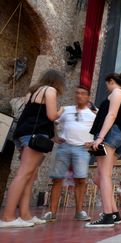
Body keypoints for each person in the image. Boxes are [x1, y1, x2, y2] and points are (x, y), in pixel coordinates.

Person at [0, 69, 65, 228]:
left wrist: (55, 137)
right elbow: (51, 116)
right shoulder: (50, 90)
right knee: (23, 174)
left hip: (24, 134)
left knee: (30, 176)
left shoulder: (34, 91)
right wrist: (61, 111)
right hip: (34, 137)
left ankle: (25, 215)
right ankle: (8, 217)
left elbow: (36, 115)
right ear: (57, 82)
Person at [41, 86, 96, 222]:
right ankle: (51, 212)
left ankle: (79, 212)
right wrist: (54, 136)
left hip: (82, 149)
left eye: (83, 93)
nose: (79, 95)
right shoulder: (66, 110)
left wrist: (94, 141)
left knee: (81, 180)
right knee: (57, 179)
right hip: (64, 147)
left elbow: (101, 130)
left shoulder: (94, 114)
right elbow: (53, 121)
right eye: (77, 93)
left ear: (88, 97)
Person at [85, 72, 121, 228]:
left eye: (107, 84)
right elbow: (110, 113)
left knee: (104, 176)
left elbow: (112, 115)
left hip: (112, 135)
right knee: (99, 178)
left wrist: (99, 138)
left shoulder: (117, 92)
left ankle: (107, 216)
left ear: (111, 81)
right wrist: (95, 111)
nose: (106, 87)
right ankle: (114, 213)